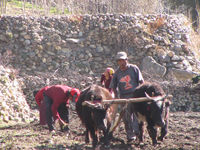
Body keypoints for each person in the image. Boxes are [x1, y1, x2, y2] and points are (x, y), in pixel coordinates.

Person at [109, 51, 144, 142]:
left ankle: (138, 133)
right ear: (117, 62)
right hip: (124, 97)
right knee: (127, 117)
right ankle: (130, 135)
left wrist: (141, 93)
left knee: (137, 116)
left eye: (123, 60)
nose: (121, 63)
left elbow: (141, 82)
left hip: (135, 95)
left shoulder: (133, 68)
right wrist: (116, 97)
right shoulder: (116, 73)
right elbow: (113, 87)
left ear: (126, 60)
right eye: (119, 61)